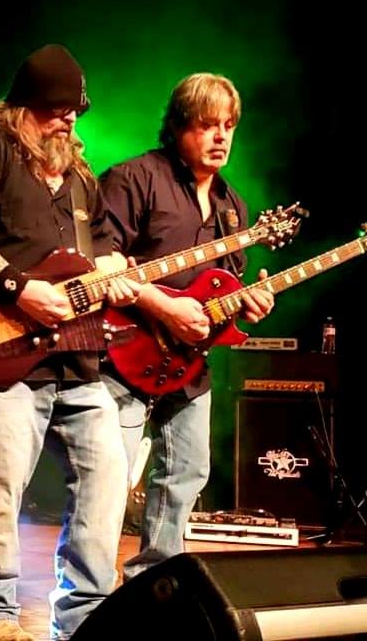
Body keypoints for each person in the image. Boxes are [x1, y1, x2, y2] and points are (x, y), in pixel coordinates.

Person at [0, 44, 140, 641]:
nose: (67, 120)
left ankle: (85, 618)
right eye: (55, 110)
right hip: (4, 350)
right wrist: (16, 285)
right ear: (22, 106)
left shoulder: (79, 177)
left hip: (78, 356)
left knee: (108, 479)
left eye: (75, 111)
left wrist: (115, 271)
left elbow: (104, 249)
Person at [98, 73, 274, 581]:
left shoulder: (232, 206)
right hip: (123, 351)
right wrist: (163, 308)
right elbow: (100, 265)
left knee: (188, 470)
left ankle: (153, 582)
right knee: (106, 479)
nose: (221, 137)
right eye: (206, 125)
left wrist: (247, 303)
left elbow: (222, 291)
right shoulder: (132, 179)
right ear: (177, 126)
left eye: (229, 126)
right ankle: (88, 596)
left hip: (188, 363)